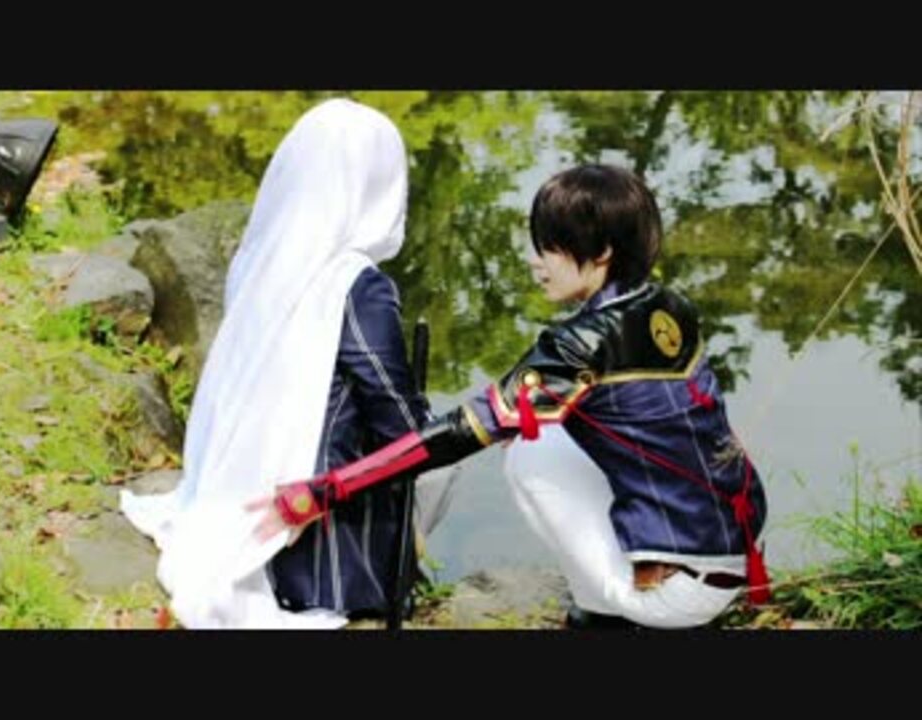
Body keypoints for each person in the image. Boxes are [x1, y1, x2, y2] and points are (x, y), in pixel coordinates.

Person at [248, 163, 771, 630]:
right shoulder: (669, 306)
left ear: (602, 252)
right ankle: (626, 590)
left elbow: (458, 433)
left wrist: (323, 491)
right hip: (735, 552)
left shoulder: (580, 345)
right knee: (538, 430)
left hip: (679, 597)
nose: (535, 262)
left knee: (529, 454)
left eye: (549, 247)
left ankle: (610, 607)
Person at [121, 97, 455, 629]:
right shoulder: (356, 286)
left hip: (233, 494)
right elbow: (401, 426)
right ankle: (388, 573)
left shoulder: (260, 257)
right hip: (310, 544)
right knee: (446, 452)